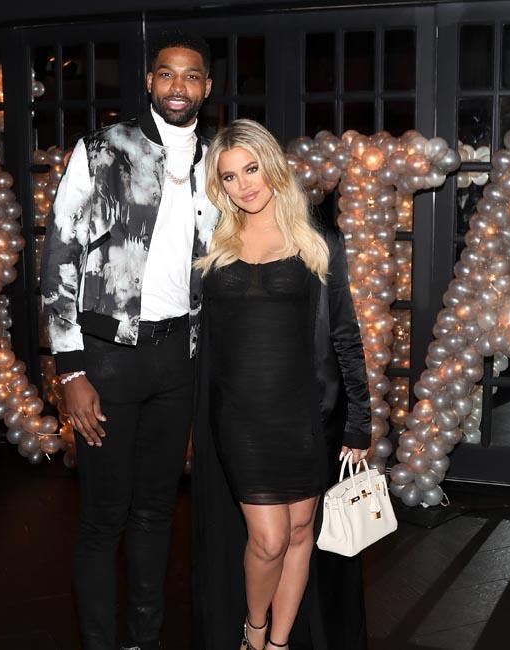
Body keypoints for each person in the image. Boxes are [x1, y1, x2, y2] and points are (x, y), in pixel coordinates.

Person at [40, 29, 219, 650]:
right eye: (167, 73)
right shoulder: (101, 149)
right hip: (107, 360)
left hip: (179, 360)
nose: (178, 86)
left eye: (191, 75)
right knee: (103, 517)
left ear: (206, 87)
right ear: (149, 81)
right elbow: (59, 256)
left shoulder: (217, 162)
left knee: (156, 511)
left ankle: (145, 640)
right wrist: (71, 369)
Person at [191, 119, 372, 650]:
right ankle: (254, 631)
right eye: (229, 177)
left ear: (272, 166)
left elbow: (345, 336)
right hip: (240, 418)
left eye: (251, 169)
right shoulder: (213, 244)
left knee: (299, 534)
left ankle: (279, 643)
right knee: (268, 539)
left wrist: (360, 422)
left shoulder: (318, 242)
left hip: (305, 417)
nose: (244, 185)